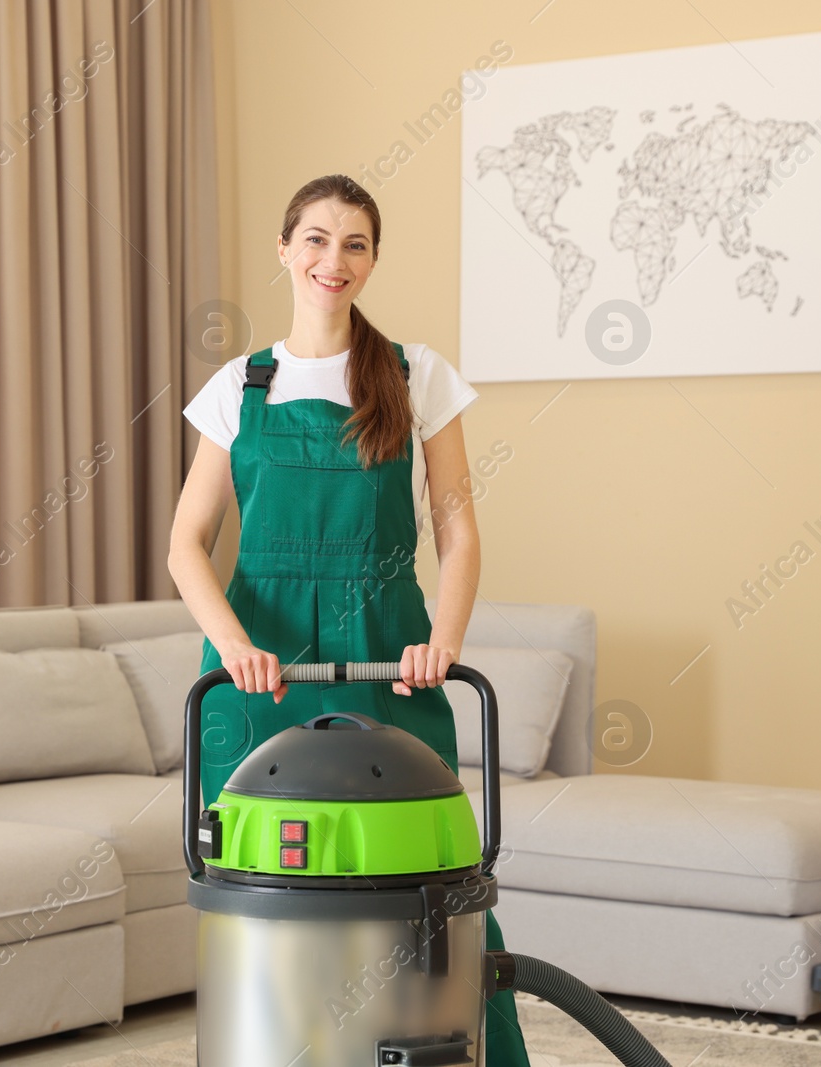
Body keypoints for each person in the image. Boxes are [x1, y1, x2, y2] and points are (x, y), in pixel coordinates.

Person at [168, 173, 532, 1067]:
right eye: (319, 239)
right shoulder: (239, 385)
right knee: (260, 885)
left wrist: (441, 641)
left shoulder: (414, 375)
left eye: (356, 244)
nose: (336, 260)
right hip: (260, 666)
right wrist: (235, 646)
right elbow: (187, 542)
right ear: (286, 250)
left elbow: (456, 526)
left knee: (432, 878)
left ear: (372, 261)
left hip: (388, 653)